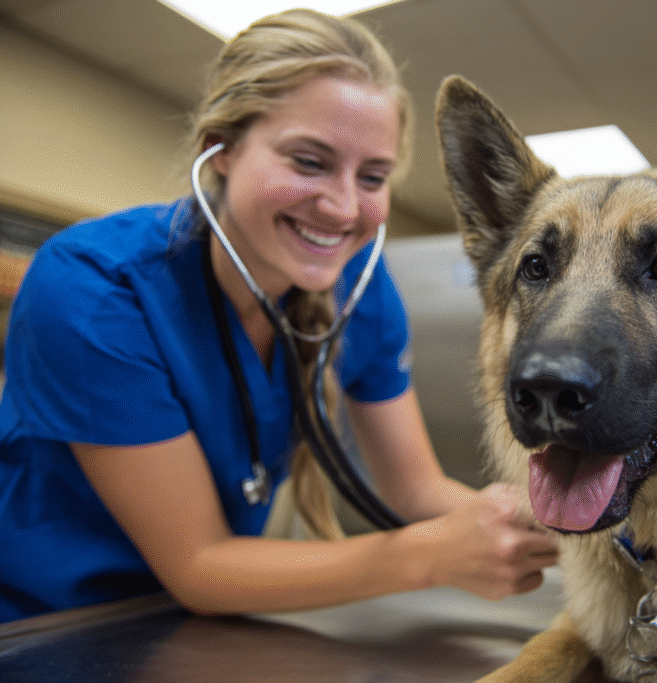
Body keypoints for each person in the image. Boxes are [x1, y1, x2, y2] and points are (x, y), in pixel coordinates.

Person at [0, 9, 558, 623]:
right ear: (221, 150)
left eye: (373, 176)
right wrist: (427, 557)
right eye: (309, 162)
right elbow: (200, 565)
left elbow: (416, 490)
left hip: (190, 625)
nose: (344, 206)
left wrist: (540, 524)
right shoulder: (91, 289)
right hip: (41, 625)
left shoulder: (359, 292)